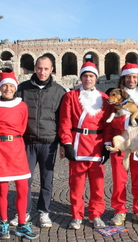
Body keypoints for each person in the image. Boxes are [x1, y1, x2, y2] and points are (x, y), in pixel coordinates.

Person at [12, 55, 68, 228]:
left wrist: (63, 144)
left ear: (52, 69)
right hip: (27, 142)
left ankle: (44, 211)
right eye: (39, 68)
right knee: (24, 180)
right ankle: (24, 211)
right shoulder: (22, 89)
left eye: (46, 68)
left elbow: (63, 120)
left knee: (47, 179)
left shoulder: (59, 92)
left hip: (49, 142)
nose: (42, 72)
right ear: (35, 68)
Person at [0, 72, 38, 240]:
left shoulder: (22, 106)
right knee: (2, 190)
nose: (8, 89)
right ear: (0, 87)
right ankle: (4, 223)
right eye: (5, 85)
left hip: (17, 149)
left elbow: (22, 127)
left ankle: (21, 224)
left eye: (11, 85)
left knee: (23, 188)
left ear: (15, 87)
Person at [58, 62, 112, 230]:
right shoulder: (71, 97)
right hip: (78, 145)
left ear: (96, 78)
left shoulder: (104, 99)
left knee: (98, 185)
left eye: (91, 76)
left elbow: (108, 125)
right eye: (85, 76)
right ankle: (76, 215)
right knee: (76, 185)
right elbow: (65, 122)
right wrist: (66, 144)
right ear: (81, 77)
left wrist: (107, 145)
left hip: (96, 146)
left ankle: (95, 214)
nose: (88, 79)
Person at [108, 63, 138, 226]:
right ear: (123, 78)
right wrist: (127, 120)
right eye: (128, 77)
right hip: (121, 143)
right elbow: (110, 121)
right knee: (119, 181)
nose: (131, 80)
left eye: (134, 77)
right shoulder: (116, 97)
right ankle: (120, 210)